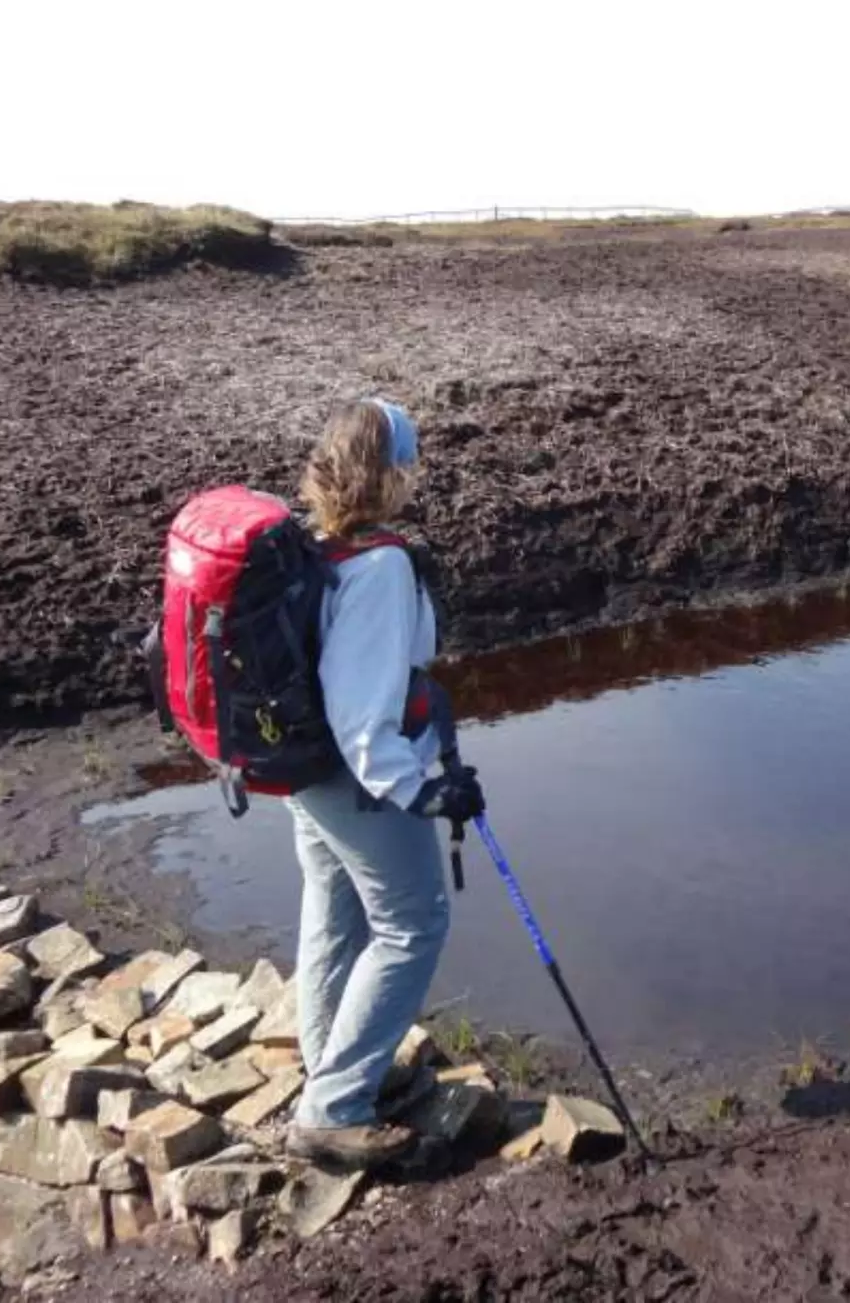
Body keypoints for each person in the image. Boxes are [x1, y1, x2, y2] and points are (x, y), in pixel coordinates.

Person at [283, 397, 485, 1170]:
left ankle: (332, 1068)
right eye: (412, 458)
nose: (418, 470)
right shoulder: (381, 566)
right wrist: (422, 792)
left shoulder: (316, 545)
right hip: (355, 779)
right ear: (389, 470)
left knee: (334, 912)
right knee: (413, 924)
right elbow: (363, 713)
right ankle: (333, 1112)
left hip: (306, 772)